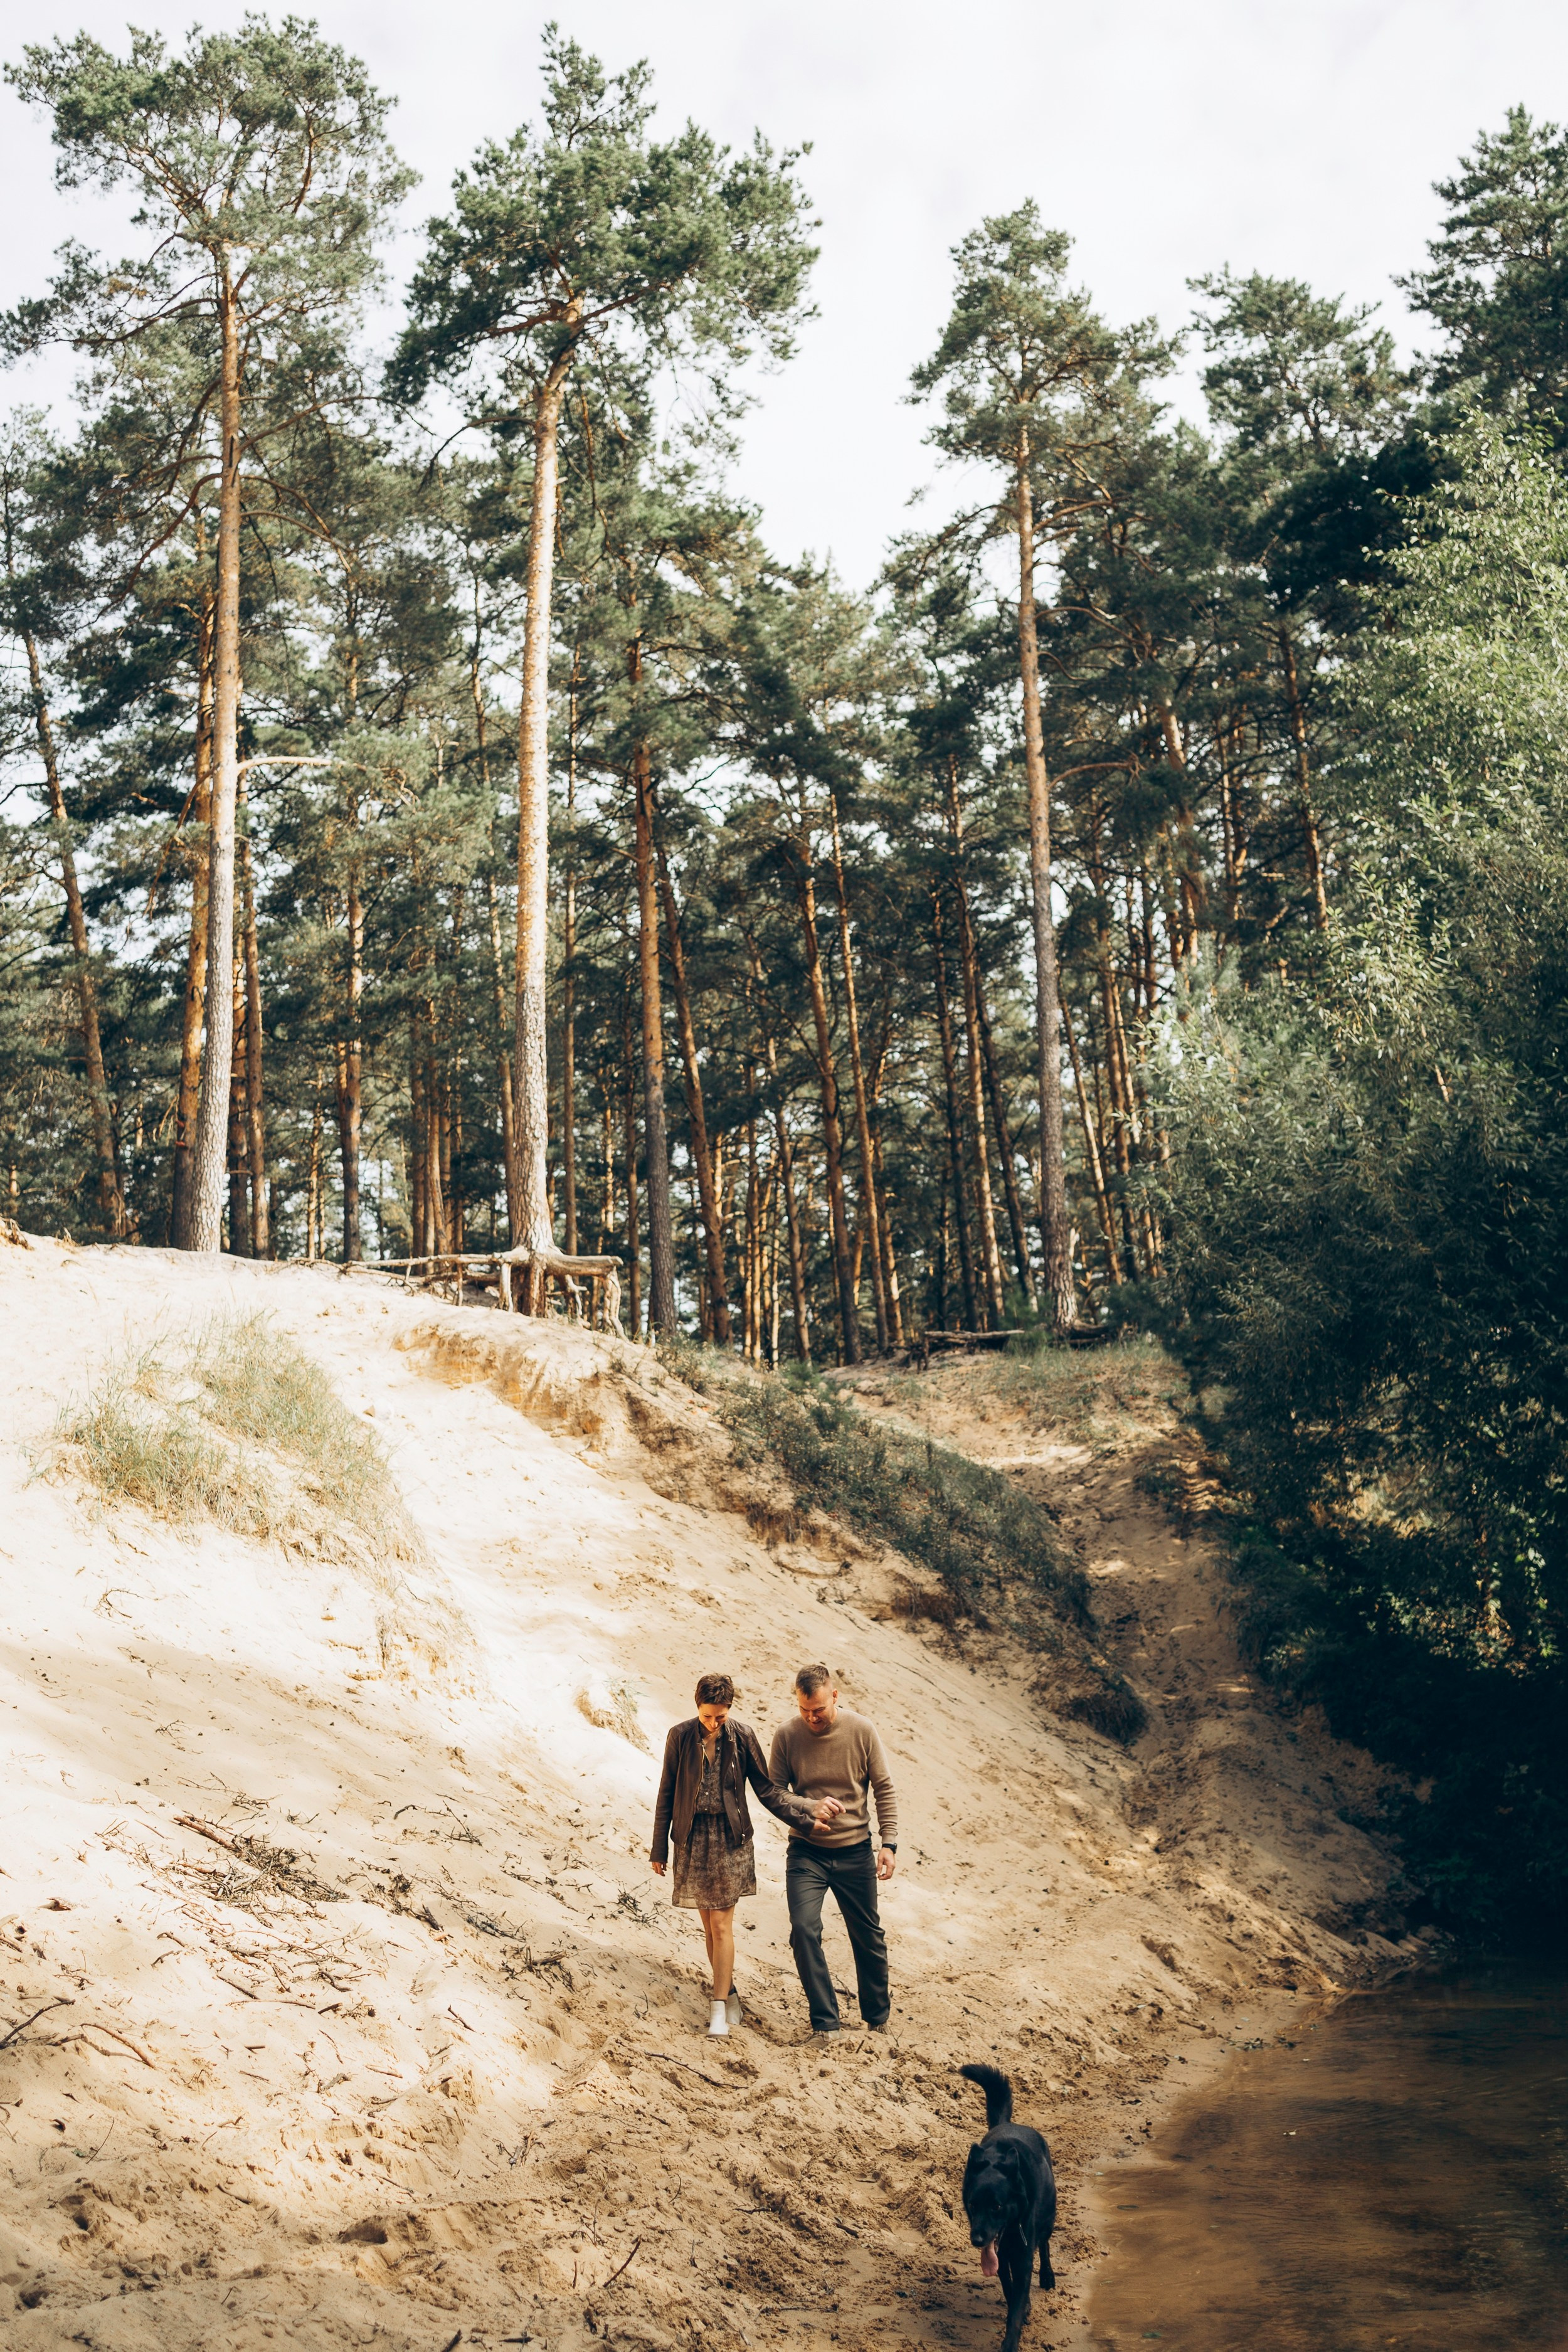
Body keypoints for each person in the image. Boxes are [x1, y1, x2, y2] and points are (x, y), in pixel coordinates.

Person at [651, 1671, 843, 2037]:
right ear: (698, 1708)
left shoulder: (742, 1736)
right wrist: (660, 1847)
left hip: (730, 1839)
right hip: (692, 1839)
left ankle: (718, 2009)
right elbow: (667, 1792)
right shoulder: (679, 1735)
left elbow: (767, 1791)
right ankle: (730, 1992)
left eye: (720, 1717)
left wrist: (804, 1820)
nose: (713, 1724)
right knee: (709, 1927)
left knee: (722, 1926)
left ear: (730, 1709)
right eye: (707, 1716)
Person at [768, 1663, 899, 2038]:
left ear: (835, 1696)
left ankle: (877, 2020)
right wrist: (808, 1808)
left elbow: (884, 1788)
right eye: (805, 1710)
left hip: (856, 1851)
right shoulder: (787, 1735)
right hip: (806, 1854)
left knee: (868, 1935)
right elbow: (775, 1792)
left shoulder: (862, 1730)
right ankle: (826, 2024)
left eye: (819, 1710)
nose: (812, 1717)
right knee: (804, 1930)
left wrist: (888, 1843)